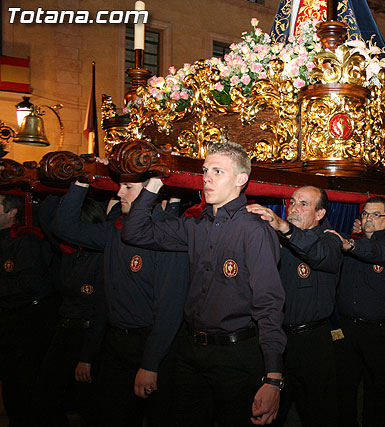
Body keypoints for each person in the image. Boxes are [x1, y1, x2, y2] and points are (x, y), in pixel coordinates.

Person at [121, 142, 286, 426]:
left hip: (236, 356)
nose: (207, 177)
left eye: (218, 171)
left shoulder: (254, 230)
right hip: (191, 352)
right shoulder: (194, 226)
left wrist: (273, 377)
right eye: (206, 170)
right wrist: (154, 183)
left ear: (240, 180)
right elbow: (134, 232)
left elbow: (269, 304)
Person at [54, 175, 189, 427]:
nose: (119, 193)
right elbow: (64, 227)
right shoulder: (115, 231)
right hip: (116, 343)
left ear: (151, 191)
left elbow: (169, 309)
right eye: (120, 186)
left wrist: (150, 364)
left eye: (128, 187)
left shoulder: (168, 233)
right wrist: (83, 180)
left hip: (154, 345)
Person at [246, 186, 341, 427]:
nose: (294, 208)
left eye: (304, 204)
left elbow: (318, 254)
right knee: (269, 412)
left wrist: (285, 228)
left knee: (318, 413)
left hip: (313, 344)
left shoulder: (329, 240)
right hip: (276, 340)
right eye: (292, 202)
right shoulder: (276, 241)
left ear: (320, 214)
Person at [326, 196, 385, 427]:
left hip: (383, 333)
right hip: (349, 330)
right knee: (344, 389)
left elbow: (378, 252)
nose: (368, 219)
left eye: (375, 215)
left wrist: (351, 244)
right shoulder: (352, 243)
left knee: (379, 392)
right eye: (365, 214)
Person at [34, 195, 109, 427]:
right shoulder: (69, 252)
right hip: (64, 330)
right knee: (45, 395)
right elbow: (47, 220)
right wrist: (61, 187)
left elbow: (101, 311)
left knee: (90, 403)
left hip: (88, 335)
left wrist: (87, 357)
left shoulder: (102, 256)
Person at [0, 193, 58, 427]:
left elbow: (33, 286)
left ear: (12, 212)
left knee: (26, 381)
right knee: (10, 380)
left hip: (26, 321)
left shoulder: (26, 240)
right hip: (7, 319)